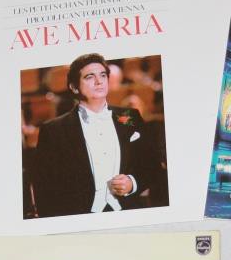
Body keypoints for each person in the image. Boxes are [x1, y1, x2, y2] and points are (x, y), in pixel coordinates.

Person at [32, 53, 160, 218]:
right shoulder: (53, 130)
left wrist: (132, 183)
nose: (99, 81)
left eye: (103, 75)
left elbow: (152, 166)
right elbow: (44, 188)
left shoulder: (129, 117)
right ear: (74, 87)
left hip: (128, 213)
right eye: (90, 77)